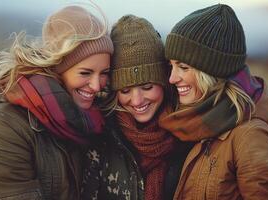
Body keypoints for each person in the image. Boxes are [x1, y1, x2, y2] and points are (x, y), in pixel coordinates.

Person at [0, 5, 113, 200]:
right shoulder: (6, 126)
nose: (97, 86)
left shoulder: (90, 119)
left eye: (104, 73)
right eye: (85, 73)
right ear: (57, 67)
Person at [159, 4, 268, 200]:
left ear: (212, 72)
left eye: (183, 67)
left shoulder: (251, 136)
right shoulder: (191, 120)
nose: (172, 78)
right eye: (171, 66)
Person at [81, 15, 193, 200]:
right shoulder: (100, 139)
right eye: (125, 90)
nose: (137, 100)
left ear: (165, 81)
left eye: (147, 87)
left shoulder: (190, 132)